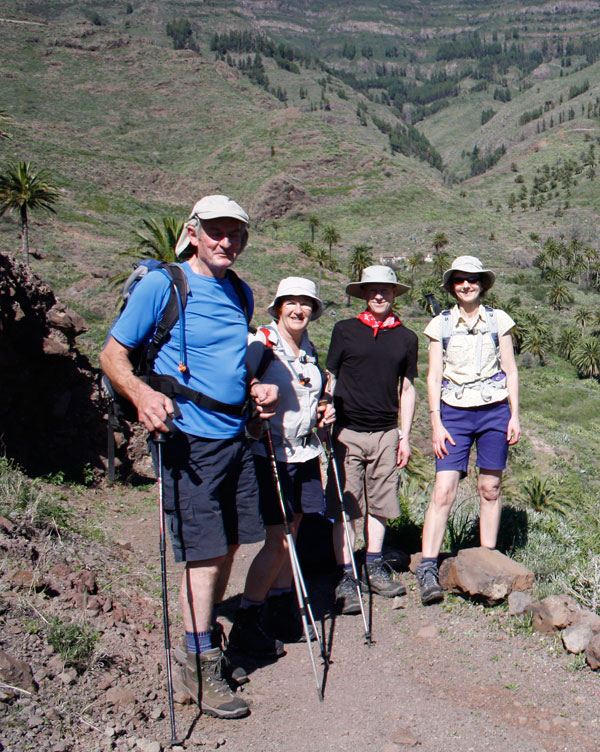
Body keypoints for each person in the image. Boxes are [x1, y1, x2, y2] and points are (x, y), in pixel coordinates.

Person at [100, 195, 278, 720]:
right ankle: (197, 661)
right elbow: (112, 354)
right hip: (187, 439)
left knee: (229, 544)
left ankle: (205, 639)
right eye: (216, 231)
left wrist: (255, 388)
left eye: (235, 234)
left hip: (234, 435)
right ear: (193, 233)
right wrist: (141, 394)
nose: (226, 241)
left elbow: (226, 362)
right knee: (204, 552)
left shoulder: (240, 291)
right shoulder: (165, 285)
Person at [235, 277, 334, 648]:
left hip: (305, 452)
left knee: (294, 530)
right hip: (271, 453)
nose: (298, 309)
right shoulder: (262, 344)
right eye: (291, 302)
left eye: (305, 303)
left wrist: (325, 409)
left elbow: (312, 395)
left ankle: (279, 607)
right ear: (278, 307)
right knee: (278, 539)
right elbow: (241, 382)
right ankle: (247, 619)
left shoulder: (308, 349)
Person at [417, 255, 521, 605]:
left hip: (494, 409)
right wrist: (435, 422)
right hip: (454, 412)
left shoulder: (498, 321)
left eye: (472, 279)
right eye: (460, 280)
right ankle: (427, 567)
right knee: (444, 489)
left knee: (490, 487)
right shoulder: (441, 325)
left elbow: (510, 370)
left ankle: (487, 561)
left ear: (482, 284)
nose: (466, 285)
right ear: (452, 286)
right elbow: (433, 375)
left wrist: (514, 415)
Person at [326, 264, 417, 613]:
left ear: (395, 294)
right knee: (345, 506)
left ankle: (374, 565)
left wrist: (404, 436)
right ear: (363, 293)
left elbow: (407, 388)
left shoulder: (406, 338)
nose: (379, 295)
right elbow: (331, 376)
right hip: (347, 430)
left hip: (385, 433)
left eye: (386, 290)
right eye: (372, 289)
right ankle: (346, 573)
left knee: (381, 503)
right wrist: (324, 412)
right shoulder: (344, 330)